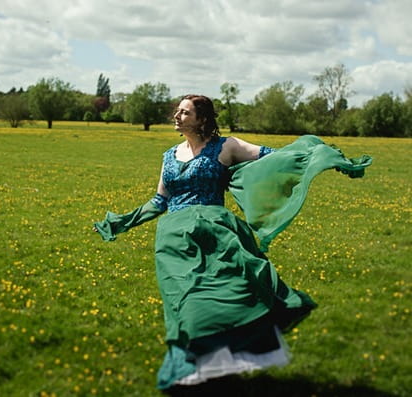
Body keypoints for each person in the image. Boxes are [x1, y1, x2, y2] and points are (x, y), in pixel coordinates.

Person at [93, 94, 372, 391]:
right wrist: (122, 222)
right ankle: (192, 366)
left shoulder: (228, 147)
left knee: (229, 291)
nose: (177, 116)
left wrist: (319, 158)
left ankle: (220, 368)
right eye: (177, 111)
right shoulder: (169, 156)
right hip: (174, 240)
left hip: (217, 233)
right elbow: (160, 200)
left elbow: (274, 158)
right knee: (183, 300)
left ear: (202, 119)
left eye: (185, 112)